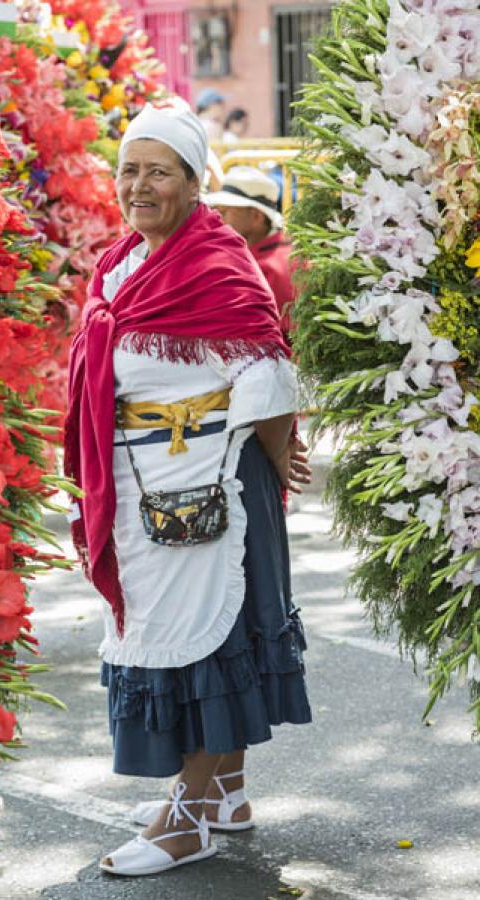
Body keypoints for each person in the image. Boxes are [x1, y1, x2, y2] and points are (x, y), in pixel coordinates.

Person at [65, 100, 312, 878]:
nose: (138, 186)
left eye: (157, 172)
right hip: (144, 482)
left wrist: (274, 461)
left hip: (209, 487)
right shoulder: (119, 262)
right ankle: (226, 792)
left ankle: (188, 819)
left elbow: (267, 379)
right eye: (127, 170)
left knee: (211, 635)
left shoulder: (215, 260)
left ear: (194, 180)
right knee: (183, 631)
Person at [206, 166, 298, 342]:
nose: (217, 218)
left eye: (224, 212)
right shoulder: (275, 250)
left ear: (257, 217)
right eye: (216, 210)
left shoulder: (271, 267)